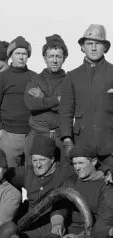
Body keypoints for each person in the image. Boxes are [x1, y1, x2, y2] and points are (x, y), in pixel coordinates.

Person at [9, 146, 113, 238]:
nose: (77, 167)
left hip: (91, 231)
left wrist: (78, 237)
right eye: (74, 163)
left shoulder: (106, 187)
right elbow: (60, 204)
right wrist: (58, 222)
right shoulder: (72, 181)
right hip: (70, 227)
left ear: (93, 162)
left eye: (81, 163)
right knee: (54, 235)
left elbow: (103, 223)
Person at [60, 24, 113, 172]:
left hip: (109, 145)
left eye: (98, 43)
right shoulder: (72, 76)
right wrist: (67, 140)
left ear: (105, 48)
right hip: (82, 145)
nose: (94, 48)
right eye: (89, 44)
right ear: (83, 47)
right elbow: (65, 111)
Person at [0, 36, 36, 167]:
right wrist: (0, 131)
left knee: (32, 175)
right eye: (17, 53)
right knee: (10, 176)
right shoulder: (2, 78)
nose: (21, 57)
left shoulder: (35, 77)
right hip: (9, 136)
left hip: (31, 134)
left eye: (24, 54)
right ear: (11, 56)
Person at [24, 34, 68, 164]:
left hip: (60, 138)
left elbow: (69, 107)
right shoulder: (36, 79)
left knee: (61, 176)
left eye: (58, 56)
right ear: (45, 58)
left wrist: (43, 98)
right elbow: (31, 104)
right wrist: (57, 100)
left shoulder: (69, 80)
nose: (54, 60)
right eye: (51, 56)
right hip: (37, 136)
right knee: (32, 175)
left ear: (64, 58)